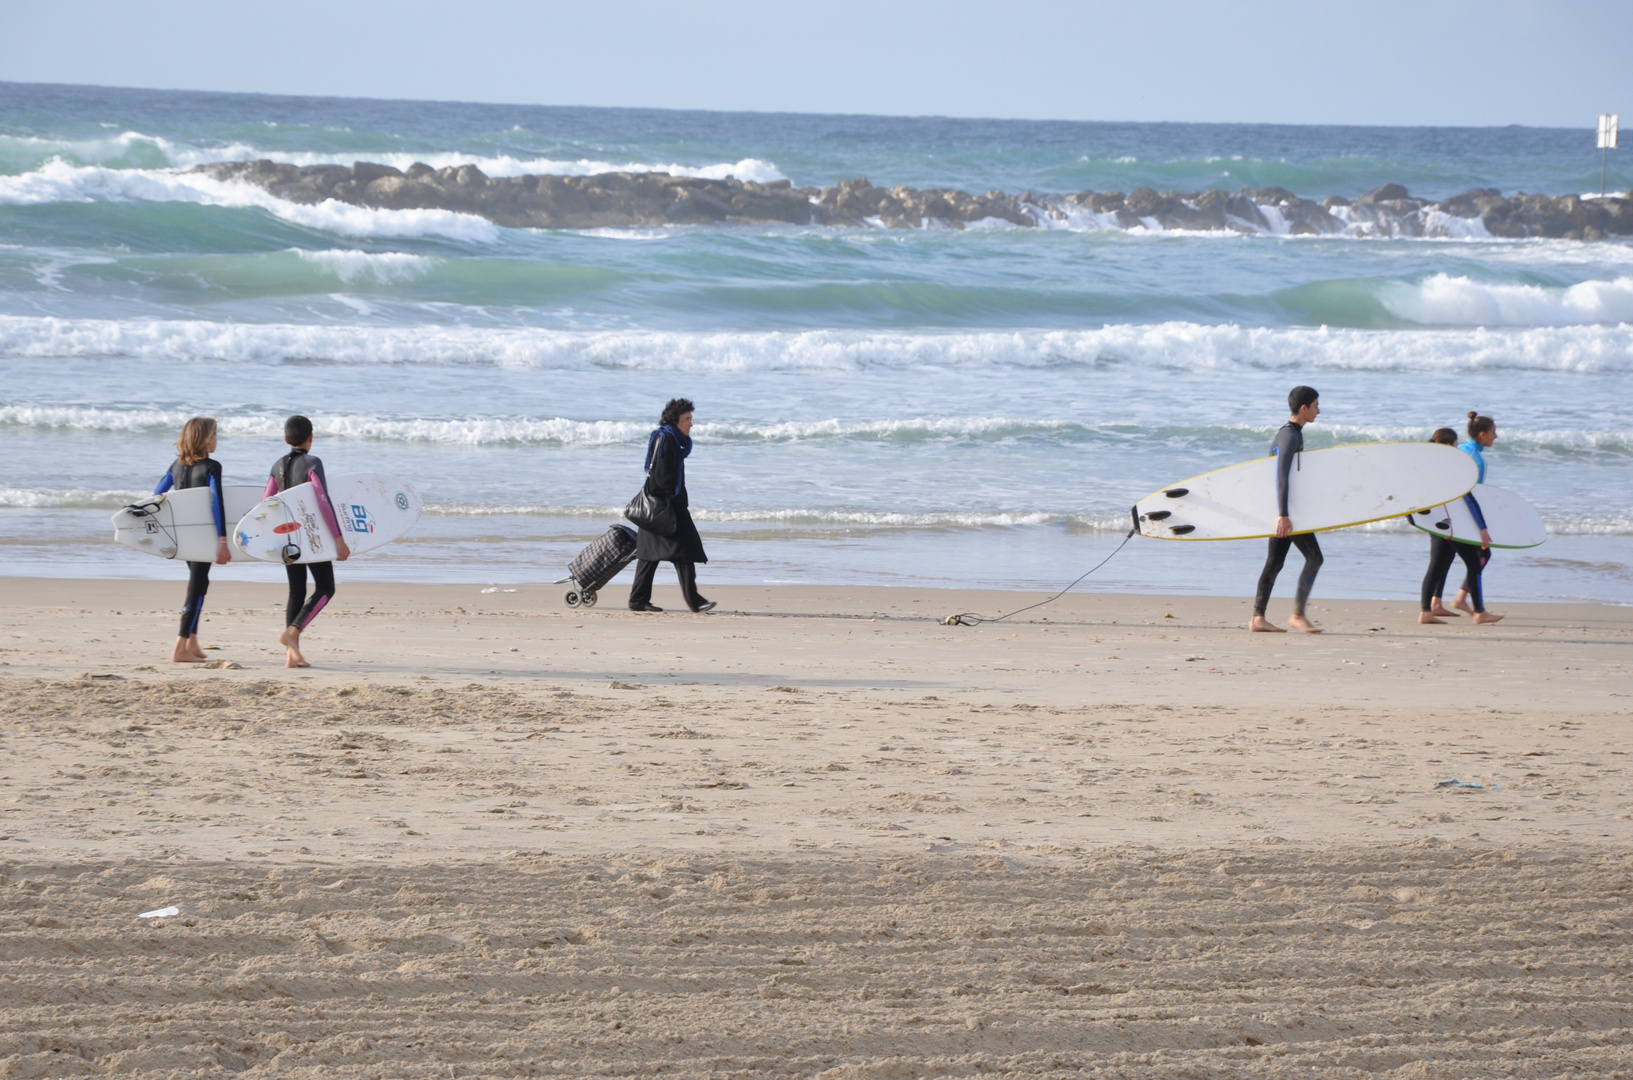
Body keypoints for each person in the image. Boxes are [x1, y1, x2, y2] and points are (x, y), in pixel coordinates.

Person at [265, 415, 350, 667]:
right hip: (313, 538)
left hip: (287, 538)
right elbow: (322, 499)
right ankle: (292, 633)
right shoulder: (313, 462)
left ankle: (292, 656)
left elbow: (266, 504)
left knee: (297, 591)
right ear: (311, 438)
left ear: (285, 439)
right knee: (326, 588)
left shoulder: (276, 465)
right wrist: (338, 538)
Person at [156, 417, 231, 663]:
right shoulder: (212, 467)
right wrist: (222, 539)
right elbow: (216, 503)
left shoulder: (175, 466)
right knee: (197, 586)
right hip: (203, 535)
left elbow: (157, 496)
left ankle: (192, 641)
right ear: (205, 439)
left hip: (182, 536)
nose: (216, 440)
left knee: (200, 582)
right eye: (215, 435)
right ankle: (180, 646)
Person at [628, 398, 714, 613]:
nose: (690, 424)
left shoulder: (671, 438)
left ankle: (638, 601)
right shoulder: (667, 439)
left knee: (650, 556)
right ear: (675, 421)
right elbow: (659, 477)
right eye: (686, 420)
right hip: (663, 508)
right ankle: (694, 601)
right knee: (682, 552)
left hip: (662, 506)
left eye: (691, 419)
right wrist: (672, 501)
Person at [1250, 386, 1324, 633]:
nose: (1319, 411)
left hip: (1282, 509)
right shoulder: (1290, 436)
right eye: (1315, 406)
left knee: (1274, 562)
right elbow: (1280, 475)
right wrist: (1283, 515)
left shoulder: (1288, 434)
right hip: (1286, 512)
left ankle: (1258, 619)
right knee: (1315, 558)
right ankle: (1297, 615)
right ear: (1303, 409)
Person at [1450, 412, 1504, 624]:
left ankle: (1450, 601)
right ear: (1482, 434)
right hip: (1463, 517)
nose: (1496, 436)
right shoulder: (1478, 462)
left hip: (1448, 516)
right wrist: (1480, 526)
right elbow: (1473, 496)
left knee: (1444, 560)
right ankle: (1471, 606)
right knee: (1482, 556)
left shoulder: (1460, 450)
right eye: (1493, 432)